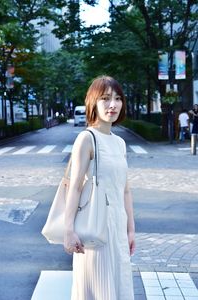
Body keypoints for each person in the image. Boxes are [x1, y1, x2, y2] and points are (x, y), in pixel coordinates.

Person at [63, 75, 135, 300]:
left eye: (117, 98)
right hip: (95, 228)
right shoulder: (86, 138)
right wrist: (68, 230)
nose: (112, 105)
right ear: (93, 102)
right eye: (105, 98)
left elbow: (125, 190)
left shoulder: (120, 142)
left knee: (119, 286)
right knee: (98, 289)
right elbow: (74, 188)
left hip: (118, 228)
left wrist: (131, 230)